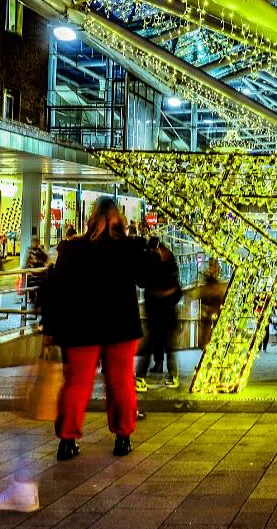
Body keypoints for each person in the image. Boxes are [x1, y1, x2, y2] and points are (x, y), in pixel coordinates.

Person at [43, 197, 149, 460]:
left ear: (91, 218)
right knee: (122, 381)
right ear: (118, 219)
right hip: (120, 325)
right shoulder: (127, 248)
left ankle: (67, 440)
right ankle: (122, 437)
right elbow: (145, 278)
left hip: (81, 326)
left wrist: (51, 329)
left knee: (77, 383)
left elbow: (57, 290)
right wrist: (138, 247)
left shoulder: (72, 248)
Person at [137, 238, 182, 391]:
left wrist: (161, 294)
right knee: (156, 345)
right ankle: (145, 375)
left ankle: (169, 375)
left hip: (164, 312)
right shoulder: (157, 263)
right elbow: (143, 282)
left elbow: (176, 291)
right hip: (159, 312)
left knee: (166, 345)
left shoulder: (167, 265)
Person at [197, 257, 227, 350]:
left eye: (212, 265)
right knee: (206, 337)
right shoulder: (209, 281)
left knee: (208, 337)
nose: (211, 268)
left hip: (213, 313)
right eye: (210, 265)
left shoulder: (213, 283)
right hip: (209, 314)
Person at [25, 237, 50, 310]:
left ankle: (34, 302)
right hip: (37, 275)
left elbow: (25, 262)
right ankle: (35, 302)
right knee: (38, 288)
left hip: (35, 275)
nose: (35, 244)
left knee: (34, 287)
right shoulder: (39, 250)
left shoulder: (31, 250)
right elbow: (47, 258)